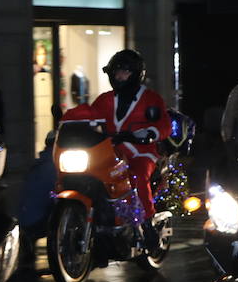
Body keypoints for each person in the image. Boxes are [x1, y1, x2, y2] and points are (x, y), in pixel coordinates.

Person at [63, 49, 171, 219]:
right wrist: (64, 121)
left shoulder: (151, 99)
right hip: (110, 152)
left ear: (135, 74)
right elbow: (87, 113)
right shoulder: (105, 99)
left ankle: (147, 221)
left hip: (140, 151)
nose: (119, 77)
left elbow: (164, 124)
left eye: (124, 72)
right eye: (116, 73)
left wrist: (151, 132)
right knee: (91, 173)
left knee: (139, 176)